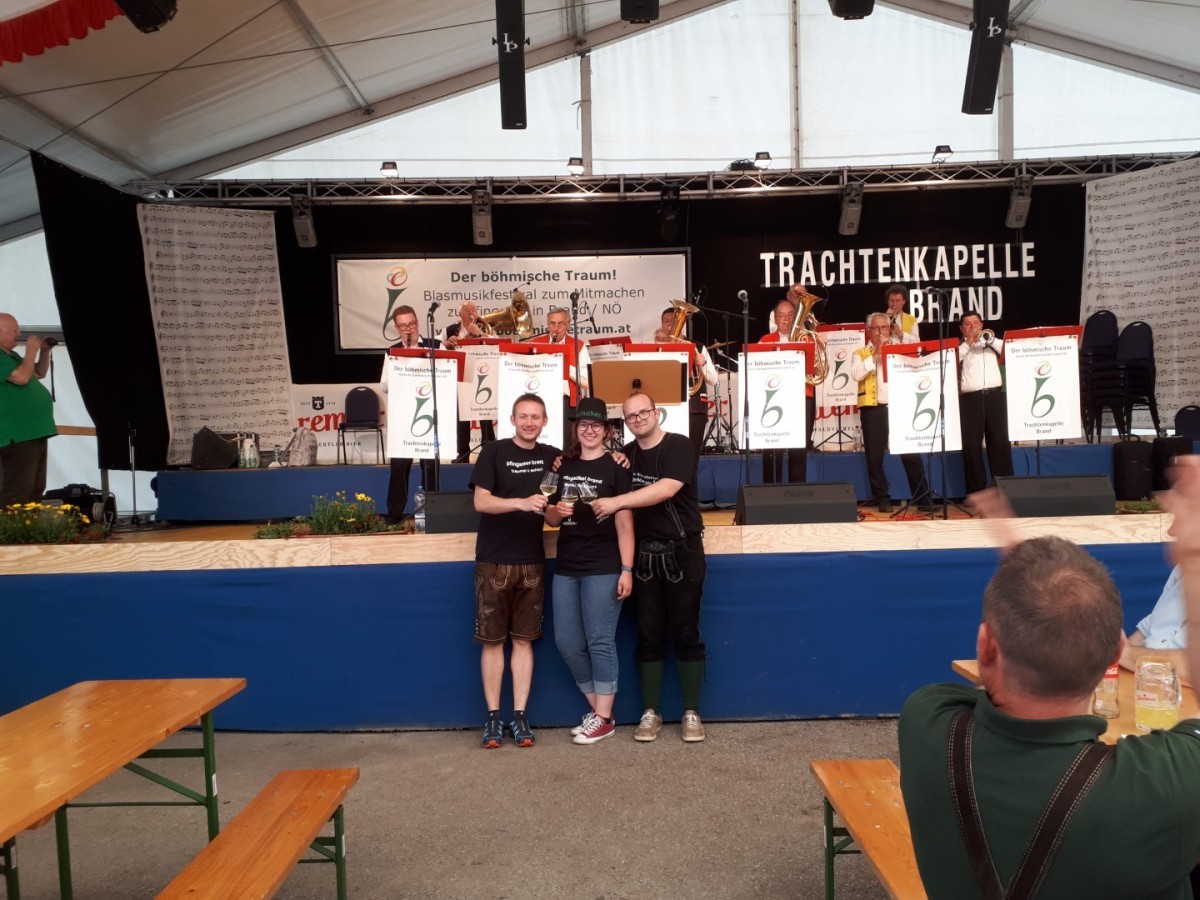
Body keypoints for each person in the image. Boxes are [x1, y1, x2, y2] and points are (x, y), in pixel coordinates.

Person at [898, 465, 1200, 898]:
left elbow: (993, 692)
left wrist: (1026, 580)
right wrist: (1194, 558)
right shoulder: (1164, 782)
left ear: (985, 645)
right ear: (1113, 654)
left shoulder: (928, 722)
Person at [592, 392, 708, 743]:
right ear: (625, 423)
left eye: (643, 412)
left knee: (686, 632)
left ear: (657, 414)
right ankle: (650, 712)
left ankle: (691, 712)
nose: (638, 418)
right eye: (631, 416)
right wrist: (558, 462)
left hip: (683, 550)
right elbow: (587, 463)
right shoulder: (623, 455)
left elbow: (666, 489)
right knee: (648, 634)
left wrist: (617, 501)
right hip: (642, 555)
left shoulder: (679, 445)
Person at [469, 392, 560, 749]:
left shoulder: (553, 456)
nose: (529, 422)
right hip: (493, 560)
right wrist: (521, 503)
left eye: (536, 417)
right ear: (512, 420)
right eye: (523, 416)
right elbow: (481, 501)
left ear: (545, 421)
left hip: (531, 561)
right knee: (493, 643)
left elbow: (552, 513)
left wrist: (556, 513)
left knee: (523, 641)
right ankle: (493, 718)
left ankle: (519, 717)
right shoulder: (493, 451)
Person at [544, 396, 635, 744]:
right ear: (576, 428)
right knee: (567, 642)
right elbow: (551, 517)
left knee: (600, 640)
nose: (589, 430)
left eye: (596, 425)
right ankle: (600, 713)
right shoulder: (561, 464)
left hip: (604, 564)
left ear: (607, 431)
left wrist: (627, 569)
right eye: (583, 424)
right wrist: (556, 512)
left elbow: (624, 522)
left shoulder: (617, 466)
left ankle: (603, 718)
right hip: (567, 565)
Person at [850, 312, 929, 513]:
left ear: (889, 329)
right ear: (868, 331)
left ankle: (923, 498)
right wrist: (876, 354)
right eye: (875, 328)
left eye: (884, 327)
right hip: (873, 408)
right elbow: (856, 374)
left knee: (910, 454)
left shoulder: (900, 349)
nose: (880, 332)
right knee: (874, 457)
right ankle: (882, 497)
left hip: (899, 406)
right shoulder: (860, 353)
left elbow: (915, 370)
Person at [756, 289, 820, 483]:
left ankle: (797, 492)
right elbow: (757, 371)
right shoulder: (765, 341)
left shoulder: (807, 339)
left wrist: (819, 349)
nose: (786, 319)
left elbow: (817, 371)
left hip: (802, 397)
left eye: (790, 315)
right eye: (782, 316)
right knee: (772, 447)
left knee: (799, 448)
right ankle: (770, 491)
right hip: (775, 398)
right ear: (775, 319)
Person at [384, 305, 440, 521]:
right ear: (396, 328)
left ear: (418, 322)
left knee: (430, 466)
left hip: (429, 415)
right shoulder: (392, 351)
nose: (408, 329)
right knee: (399, 467)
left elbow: (452, 372)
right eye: (403, 326)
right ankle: (395, 515)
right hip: (404, 417)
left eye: (412, 324)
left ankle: (432, 512)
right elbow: (384, 385)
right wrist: (403, 369)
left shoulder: (436, 346)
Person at [0, 313, 57, 506]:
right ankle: (10, 525)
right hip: (18, 433)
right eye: (14, 330)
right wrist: (31, 351)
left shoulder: (11, 356)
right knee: (19, 488)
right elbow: (21, 378)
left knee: (35, 487)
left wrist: (44, 352)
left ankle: (29, 524)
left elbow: (38, 373)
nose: (19, 334)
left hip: (34, 431)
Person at [958, 312, 1014, 495]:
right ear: (962, 329)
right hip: (970, 400)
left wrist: (990, 339)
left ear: (982, 325)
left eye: (976, 323)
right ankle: (976, 493)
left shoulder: (991, 343)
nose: (972, 327)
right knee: (971, 447)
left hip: (994, 397)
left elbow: (1009, 350)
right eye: (968, 324)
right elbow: (952, 360)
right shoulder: (960, 348)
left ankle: (1004, 490)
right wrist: (968, 342)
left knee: (999, 443)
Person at [655, 306, 718, 456]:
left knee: (691, 456)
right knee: (665, 455)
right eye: (666, 321)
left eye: (674, 321)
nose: (670, 324)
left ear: (682, 323)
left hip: (693, 409)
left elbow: (713, 380)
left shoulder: (698, 347)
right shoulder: (655, 349)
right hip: (666, 408)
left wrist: (702, 363)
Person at [440, 301, 495, 463]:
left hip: (483, 374)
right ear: (460, 314)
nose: (471, 313)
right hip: (461, 376)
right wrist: (446, 343)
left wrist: (480, 334)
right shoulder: (450, 330)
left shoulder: (484, 327)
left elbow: (497, 343)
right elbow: (436, 345)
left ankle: (489, 452)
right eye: (467, 310)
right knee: (462, 417)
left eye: (474, 309)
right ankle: (463, 453)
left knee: (485, 414)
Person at [1120, 565, 1191, 684]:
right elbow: (1150, 626)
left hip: (1178, 690)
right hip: (1143, 681)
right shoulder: (1184, 568)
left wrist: (1125, 654)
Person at [528, 307, 589, 446]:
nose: (556, 328)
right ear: (547, 324)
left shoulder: (579, 346)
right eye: (552, 323)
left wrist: (563, 363)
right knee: (539, 443)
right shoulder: (536, 343)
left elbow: (585, 382)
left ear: (568, 324)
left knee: (567, 445)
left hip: (565, 402)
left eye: (560, 323)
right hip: (539, 399)